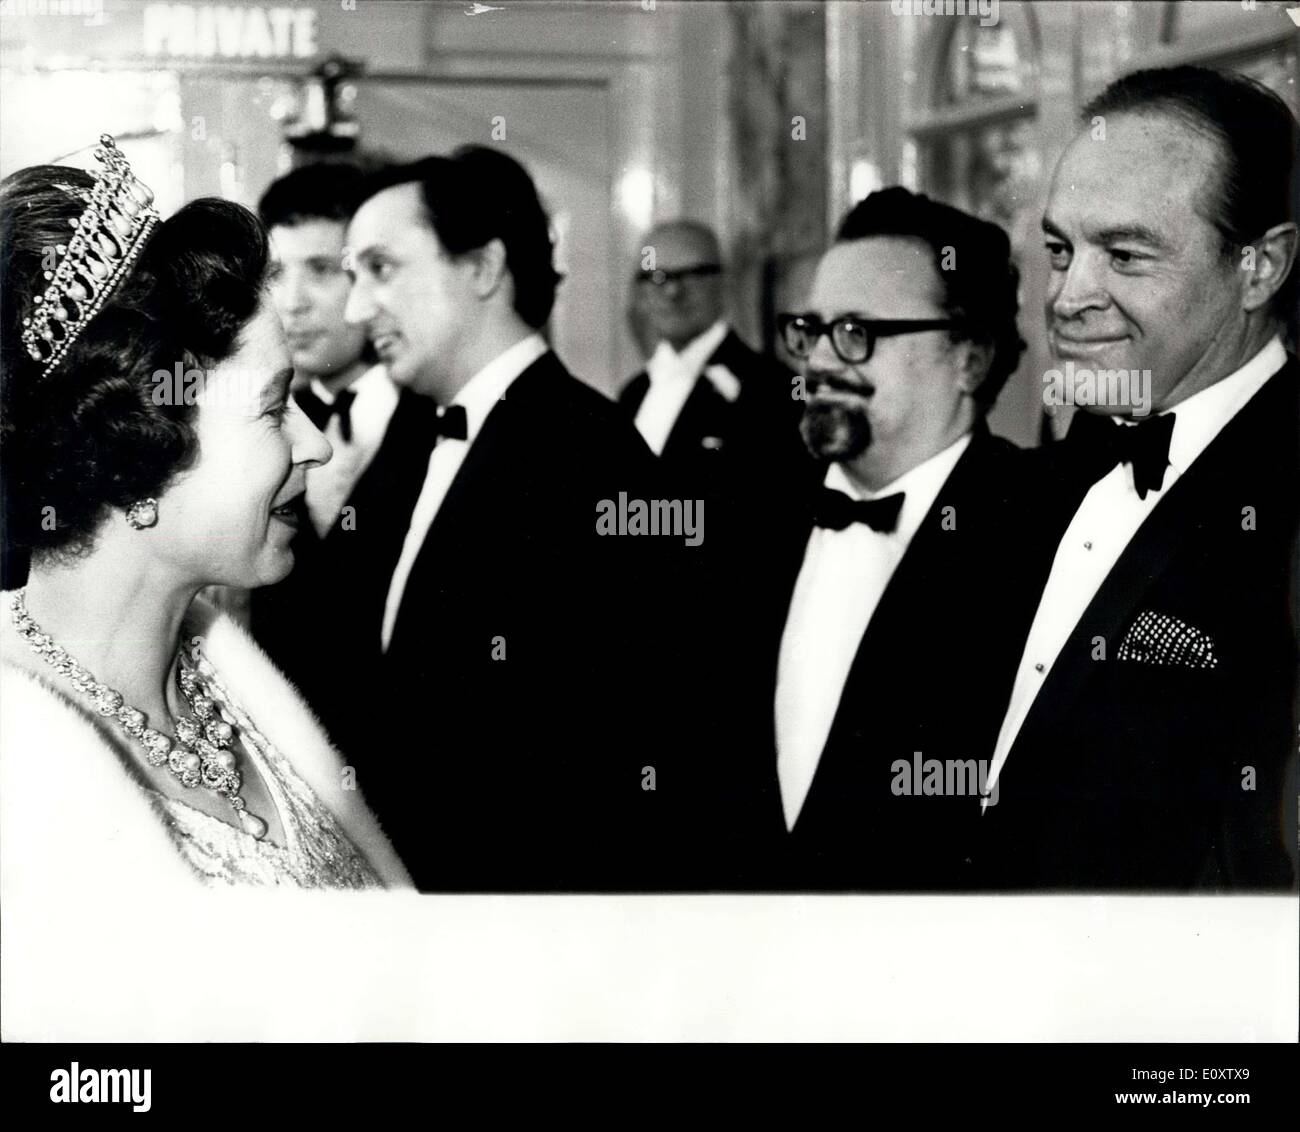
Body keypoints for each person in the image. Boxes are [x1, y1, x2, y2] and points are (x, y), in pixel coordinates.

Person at [0, 137, 411, 896]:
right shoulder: (17, 767)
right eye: (272, 408)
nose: (313, 445)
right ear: (137, 459)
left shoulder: (241, 683)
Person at [977, 65, 1299, 889]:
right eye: (1060, 250)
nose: (1069, 296)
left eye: (1123, 254)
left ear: (1259, 268)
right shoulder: (1046, 476)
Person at [342, 144, 686, 891]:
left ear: (482, 268)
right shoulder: (410, 442)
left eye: (382, 268)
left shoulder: (593, 458)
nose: (355, 309)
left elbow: (611, 757)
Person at [704, 188, 1067, 890]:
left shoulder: (1043, 539)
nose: (820, 364)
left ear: (968, 358)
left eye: (859, 333)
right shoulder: (741, 517)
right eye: (811, 331)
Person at [249, 162, 439, 762]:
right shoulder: (252, 427)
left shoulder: (444, 422)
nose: (293, 303)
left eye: (324, 271)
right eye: (277, 274)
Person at [618, 220, 806, 495]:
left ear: (724, 282)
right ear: (642, 291)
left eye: (692, 274)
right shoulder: (633, 394)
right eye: (657, 277)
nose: (673, 292)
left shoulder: (772, 386)